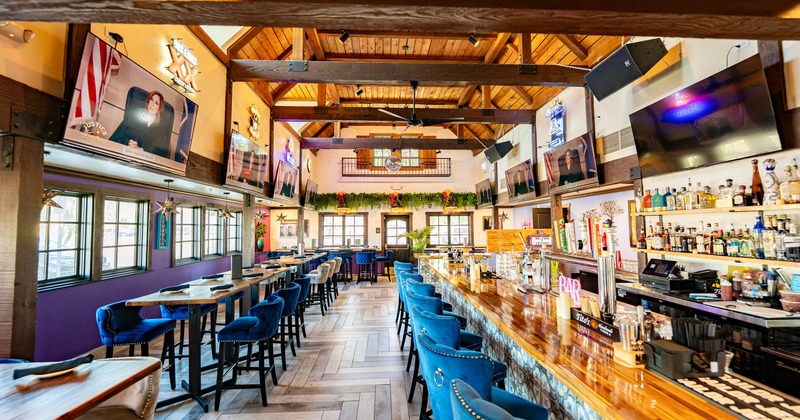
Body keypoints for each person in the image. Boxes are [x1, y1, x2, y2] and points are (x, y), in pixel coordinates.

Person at [109, 90, 171, 158]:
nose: (152, 104)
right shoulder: (134, 117)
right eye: (151, 100)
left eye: (156, 103)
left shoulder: (161, 131)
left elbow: (160, 155)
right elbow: (116, 138)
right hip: (126, 157)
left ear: (159, 109)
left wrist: (143, 151)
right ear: (148, 101)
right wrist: (128, 144)